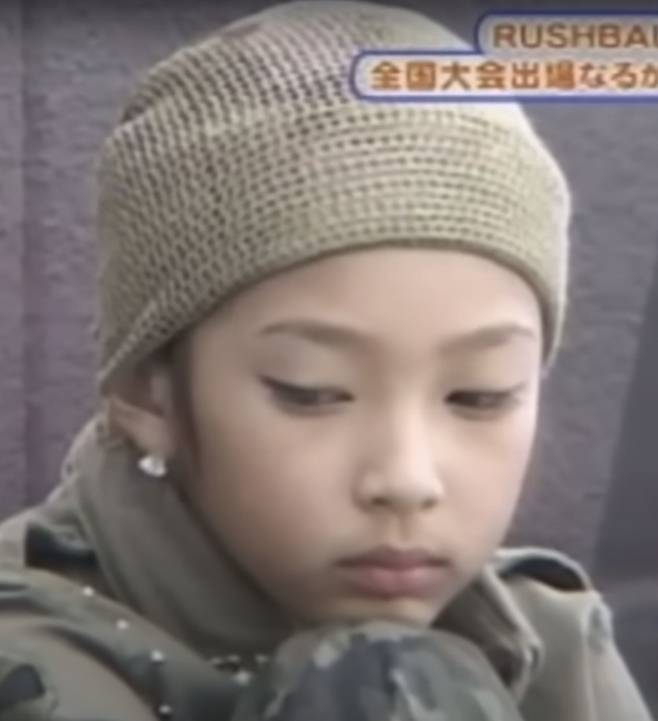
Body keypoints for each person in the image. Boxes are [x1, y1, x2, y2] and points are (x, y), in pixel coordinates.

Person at [0, 2, 652, 719]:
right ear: (148, 393)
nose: (406, 479)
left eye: (480, 394)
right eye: (312, 392)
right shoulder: (31, 668)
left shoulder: (552, 642)